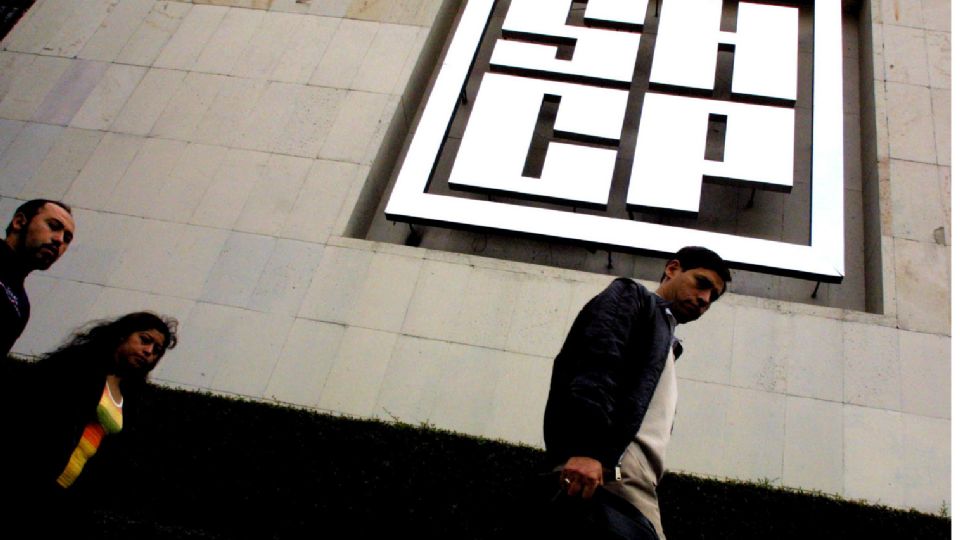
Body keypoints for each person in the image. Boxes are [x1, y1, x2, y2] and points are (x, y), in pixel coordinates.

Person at [540, 246, 730, 539]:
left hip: (631, 479)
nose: (705, 299)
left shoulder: (666, 343)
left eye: (713, 297)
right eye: (701, 283)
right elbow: (598, 365)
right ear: (672, 269)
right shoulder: (633, 297)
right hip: (611, 471)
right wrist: (588, 451)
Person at [5, 311, 178, 534]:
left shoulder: (131, 394)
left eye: (157, 350)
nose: (149, 352)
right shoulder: (78, 365)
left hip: (65, 493)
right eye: (144, 340)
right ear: (122, 335)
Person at [0, 199, 76, 357]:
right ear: (19, 222)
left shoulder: (21, 306)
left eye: (67, 239)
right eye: (53, 226)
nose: (59, 240)